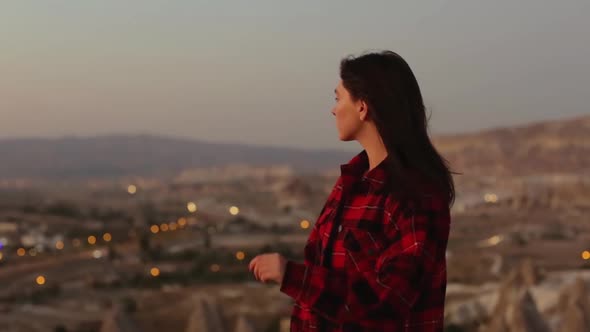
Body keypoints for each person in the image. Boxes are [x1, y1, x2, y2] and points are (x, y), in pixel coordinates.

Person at [249, 50, 455, 331]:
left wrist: (291, 275)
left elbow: (386, 305)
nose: (333, 109)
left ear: (363, 107)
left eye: (338, 98)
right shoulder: (352, 183)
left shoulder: (416, 197)